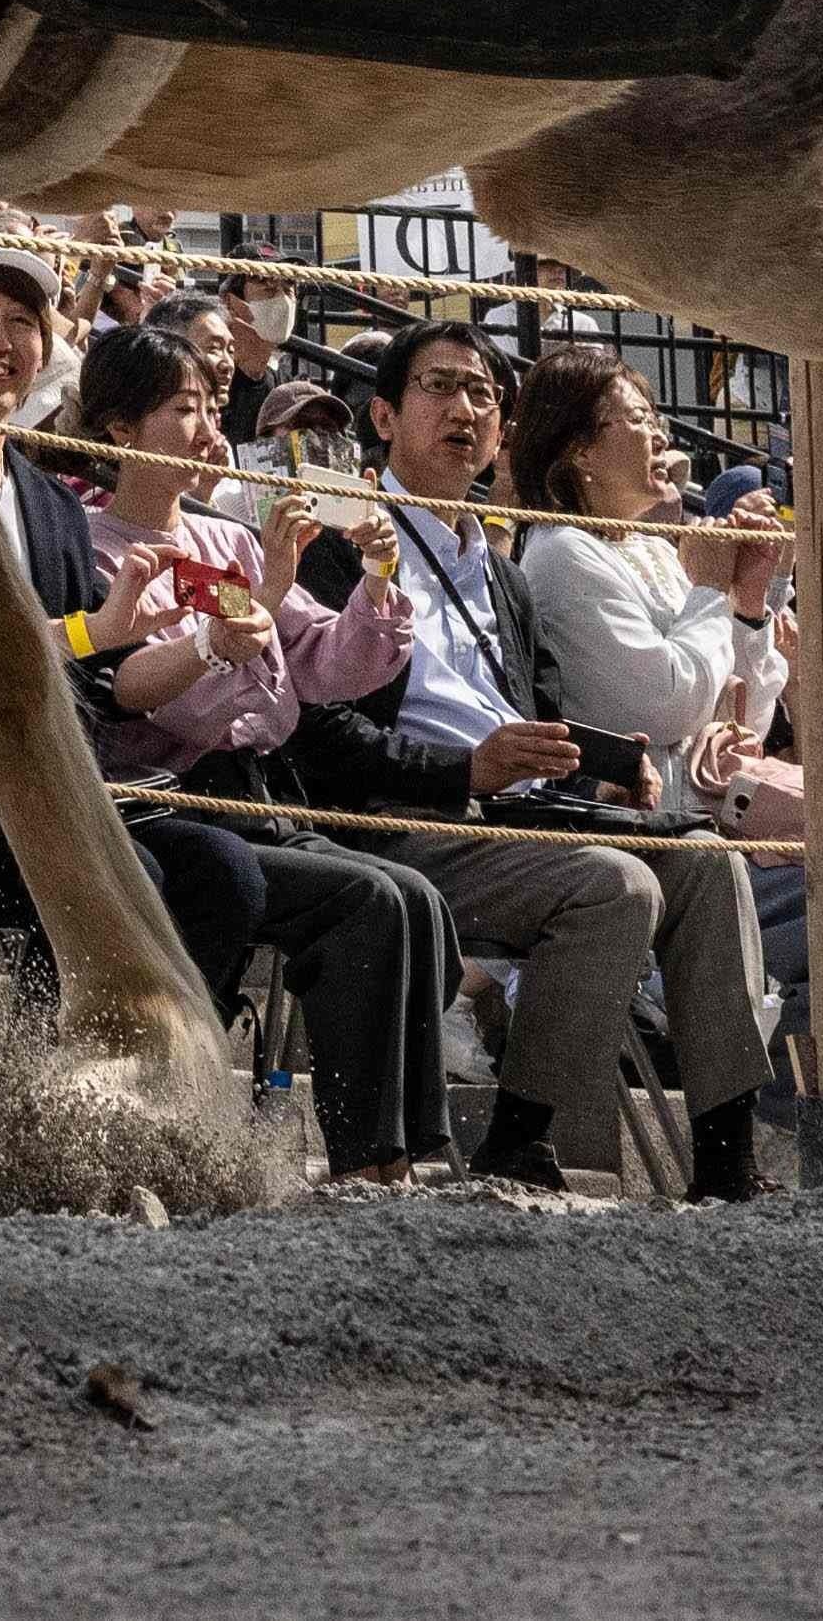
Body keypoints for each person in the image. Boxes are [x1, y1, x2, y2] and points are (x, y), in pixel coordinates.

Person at [0, 240, 389, 1155]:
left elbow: (87, 679)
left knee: (221, 871)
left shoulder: (47, 503)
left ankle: (150, 1104)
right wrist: (116, 636)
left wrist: (122, 631)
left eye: (21, 321)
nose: (1, 339)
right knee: (140, 876)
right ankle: (75, 1102)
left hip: (53, 774)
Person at [288, 315, 774, 1203]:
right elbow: (311, 733)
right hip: (400, 818)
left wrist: (601, 764)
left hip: (512, 815)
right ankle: (521, 1140)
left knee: (704, 862)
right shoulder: (335, 541)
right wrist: (463, 771)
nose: (465, 408)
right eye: (439, 387)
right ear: (385, 417)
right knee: (612, 885)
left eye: (483, 394)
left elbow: (540, 720)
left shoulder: (501, 571)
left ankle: (726, 1156)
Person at [507, 349, 823, 1184]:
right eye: (636, 419)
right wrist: (710, 599)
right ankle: (792, 1117)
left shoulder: (657, 552)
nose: (661, 436)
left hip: (712, 816)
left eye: (657, 418)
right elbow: (657, 706)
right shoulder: (562, 558)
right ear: (578, 452)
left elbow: (745, 707)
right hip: (660, 838)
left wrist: (746, 596)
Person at [52, 321, 454, 1177]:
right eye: (181, 408)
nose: (206, 431)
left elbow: (330, 669)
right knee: (367, 900)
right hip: (171, 802)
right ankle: (362, 1153)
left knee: (415, 896)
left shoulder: (227, 539)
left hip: (262, 793)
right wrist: (266, 594)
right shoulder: (91, 551)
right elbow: (183, 708)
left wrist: (376, 574)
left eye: (210, 407)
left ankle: (408, 1150)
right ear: (118, 430)